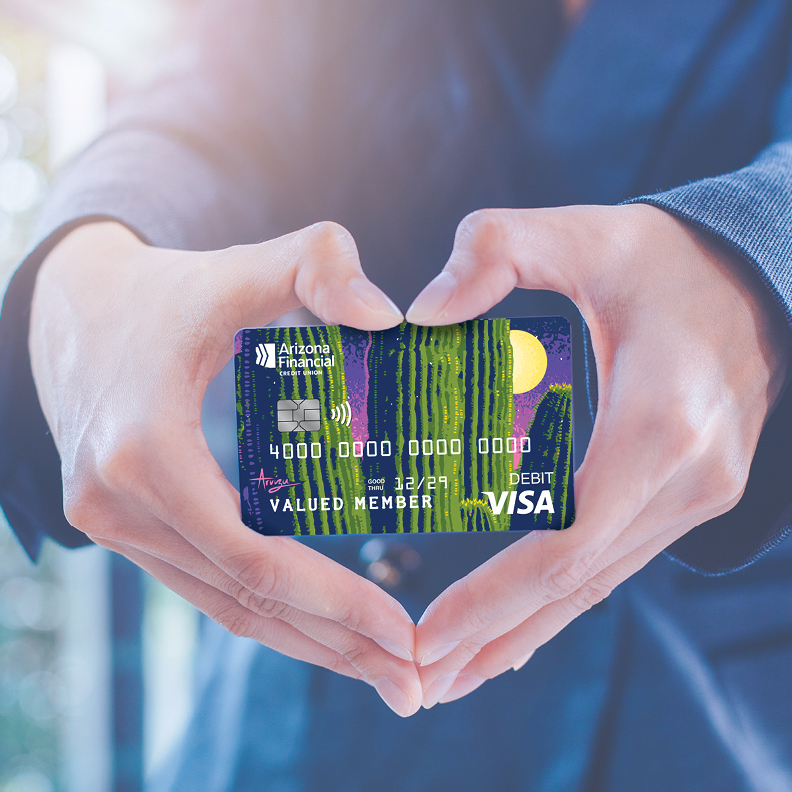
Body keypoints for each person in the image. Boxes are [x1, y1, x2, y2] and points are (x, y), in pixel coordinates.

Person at [2, 0, 792, 788]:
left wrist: (759, 258)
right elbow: (206, 104)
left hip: (691, 725)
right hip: (289, 720)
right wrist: (87, 253)